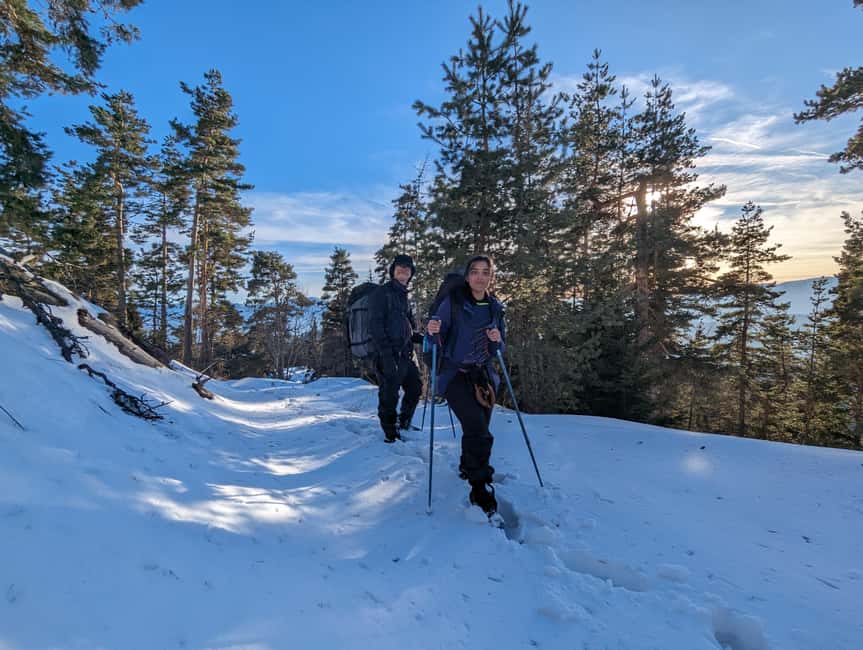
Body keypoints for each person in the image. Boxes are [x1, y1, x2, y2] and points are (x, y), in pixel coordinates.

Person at [426, 255, 504, 516]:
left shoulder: (494, 306)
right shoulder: (453, 304)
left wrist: (497, 339)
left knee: (477, 429)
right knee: (479, 431)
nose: (480, 277)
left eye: (485, 272)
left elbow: (498, 348)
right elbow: (435, 342)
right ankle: (480, 488)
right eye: (475, 271)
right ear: (468, 276)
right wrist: (432, 331)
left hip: (483, 377)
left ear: (490, 276)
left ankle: (466, 466)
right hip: (455, 376)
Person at [369, 254, 424, 443]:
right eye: (400, 268)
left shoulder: (404, 296)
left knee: (415, 388)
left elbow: (407, 327)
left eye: (407, 269)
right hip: (388, 354)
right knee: (389, 395)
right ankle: (390, 433)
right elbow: (375, 327)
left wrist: (423, 339)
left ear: (411, 274)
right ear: (393, 271)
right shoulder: (382, 294)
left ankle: (404, 421)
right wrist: (386, 356)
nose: (404, 272)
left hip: (406, 353)